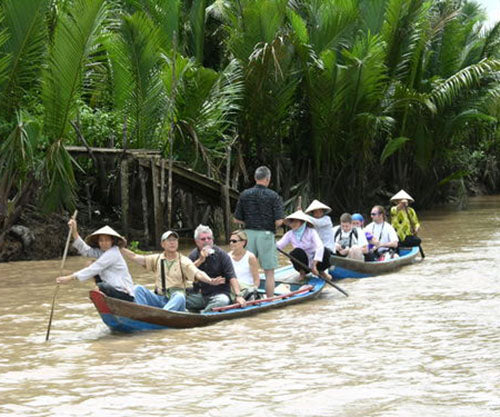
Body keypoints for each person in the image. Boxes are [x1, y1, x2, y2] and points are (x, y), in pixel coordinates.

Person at [120, 231, 223, 311]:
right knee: (138, 288)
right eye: (169, 240)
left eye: (174, 240)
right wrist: (120, 248)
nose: (172, 242)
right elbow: (134, 257)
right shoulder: (156, 259)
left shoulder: (183, 260)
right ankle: (142, 313)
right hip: (160, 298)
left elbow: (198, 273)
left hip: (175, 300)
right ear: (162, 244)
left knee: (180, 296)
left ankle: (162, 315)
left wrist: (210, 280)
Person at [234, 166, 284, 298]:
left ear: (255, 178)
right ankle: (269, 301)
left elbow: (236, 218)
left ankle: (246, 297)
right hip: (266, 235)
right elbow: (279, 221)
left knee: (249, 269)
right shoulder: (273, 196)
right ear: (268, 179)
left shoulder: (245, 194)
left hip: (248, 235)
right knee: (269, 272)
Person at [55, 220, 135, 301]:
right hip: (113, 288)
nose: (104, 243)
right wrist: (74, 231)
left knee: (101, 286)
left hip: (124, 293)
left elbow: (94, 268)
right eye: (101, 240)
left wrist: (70, 278)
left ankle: (101, 293)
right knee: (90, 263)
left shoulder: (113, 253)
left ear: (112, 241)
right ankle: (102, 295)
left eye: (107, 240)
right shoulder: (102, 252)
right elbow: (86, 251)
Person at [187, 225, 246, 312]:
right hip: (199, 295)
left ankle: (203, 315)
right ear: (197, 242)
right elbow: (186, 273)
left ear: (212, 240)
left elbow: (232, 276)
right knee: (181, 299)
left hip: (218, 294)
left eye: (209, 238)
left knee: (223, 301)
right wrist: (200, 260)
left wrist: (238, 295)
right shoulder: (193, 255)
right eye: (203, 239)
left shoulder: (221, 254)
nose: (207, 241)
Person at [276, 210, 332, 282]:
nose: (293, 224)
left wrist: (314, 265)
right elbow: (279, 245)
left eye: (296, 222)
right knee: (295, 252)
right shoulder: (290, 234)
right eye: (292, 222)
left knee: (325, 251)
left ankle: (321, 271)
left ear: (302, 223)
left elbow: (320, 246)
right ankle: (302, 273)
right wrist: (271, 242)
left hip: (316, 261)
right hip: (303, 263)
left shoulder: (311, 232)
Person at [228, 230, 261, 299]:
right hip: (232, 287)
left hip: (246, 288)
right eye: (230, 241)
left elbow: (256, 280)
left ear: (243, 242)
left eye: (234, 241)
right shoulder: (227, 256)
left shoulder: (250, 257)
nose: (231, 243)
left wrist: (253, 291)